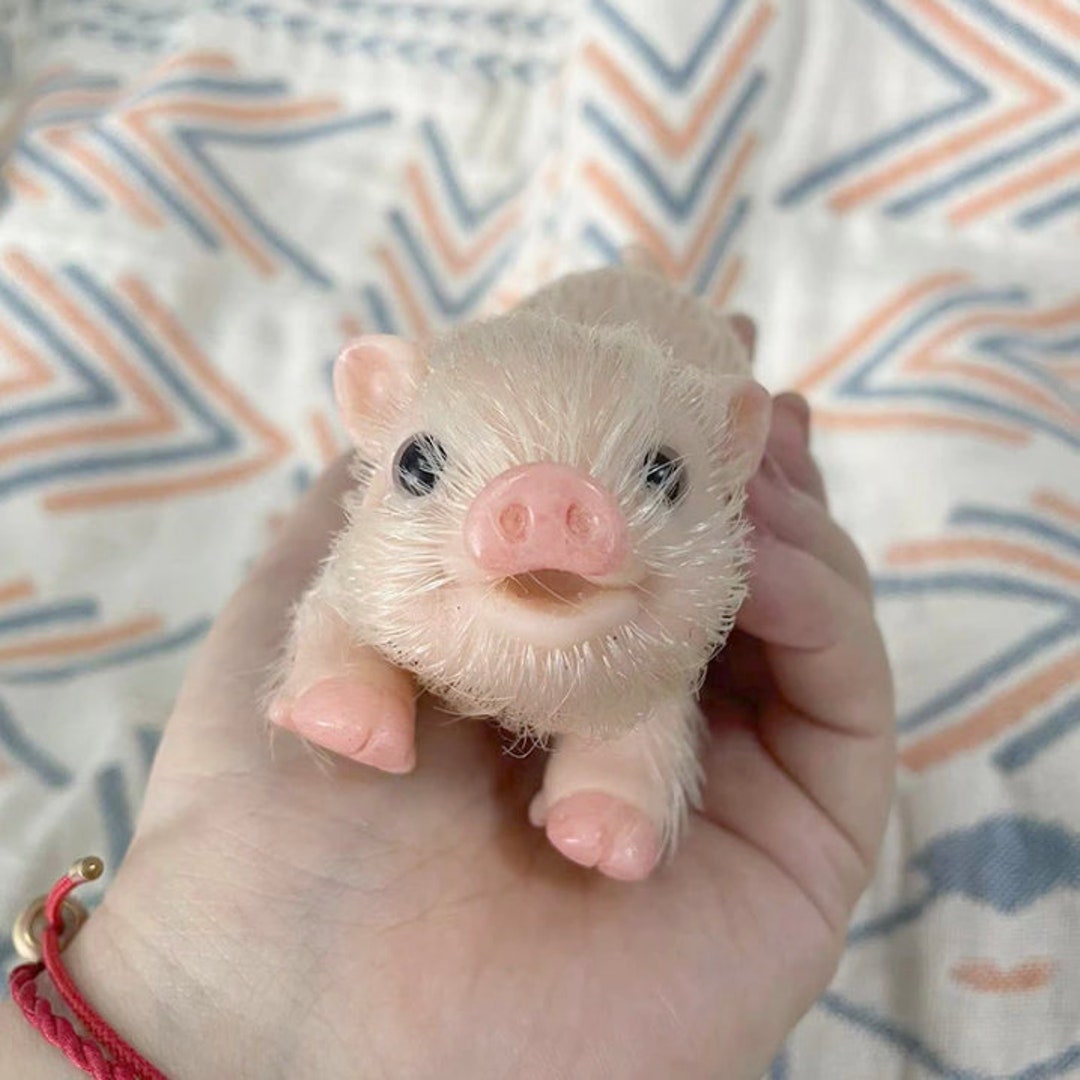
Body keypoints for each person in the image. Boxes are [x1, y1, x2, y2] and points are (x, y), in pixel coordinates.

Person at [1, 383, 895, 1079]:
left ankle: (614, 778)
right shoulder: (380, 551)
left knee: (652, 685)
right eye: (425, 465)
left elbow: (666, 673)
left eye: (661, 474)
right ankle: (355, 688)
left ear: (729, 449)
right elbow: (342, 596)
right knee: (348, 609)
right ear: (377, 412)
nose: (542, 526)